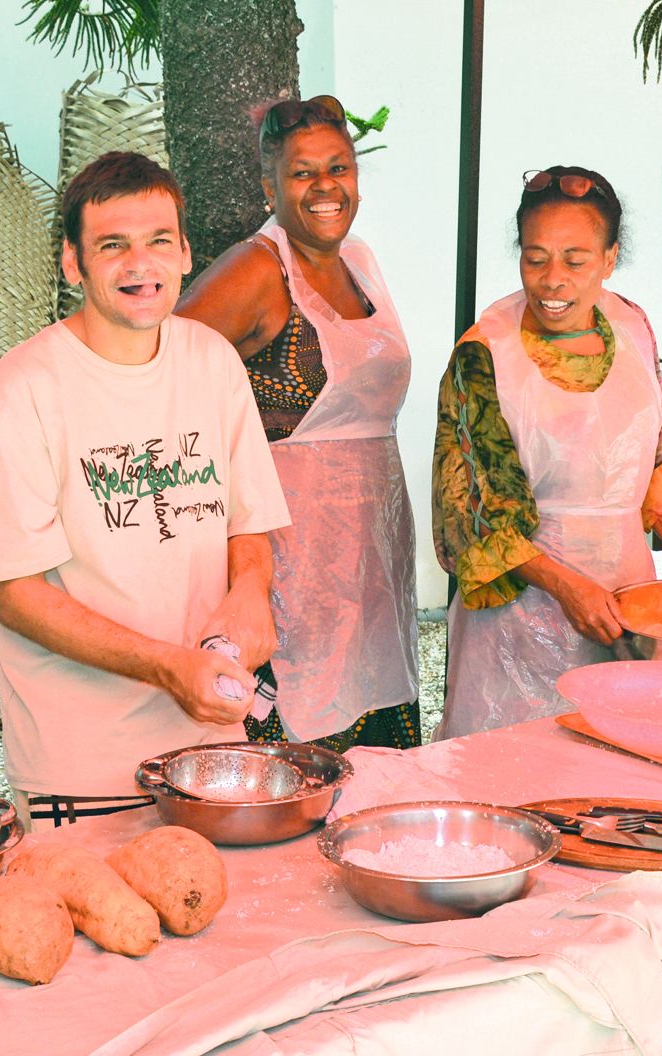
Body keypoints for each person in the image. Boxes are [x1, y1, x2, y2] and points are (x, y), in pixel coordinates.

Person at [0, 152, 291, 826]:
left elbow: (246, 523)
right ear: (72, 263)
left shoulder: (211, 360)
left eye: (158, 242)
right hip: (81, 771)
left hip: (211, 749)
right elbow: (17, 594)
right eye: (113, 246)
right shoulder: (23, 389)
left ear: (184, 255)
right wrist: (167, 666)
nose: (139, 265)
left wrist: (251, 593)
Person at [431, 166, 662, 738]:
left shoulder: (632, 326)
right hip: (519, 626)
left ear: (609, 257)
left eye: (575, 261)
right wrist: (568, 588)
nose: (552, 280)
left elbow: (654, 454)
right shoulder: (484, 354)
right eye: (535, 258)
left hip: (626, 606)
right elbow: (471, 518)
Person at [176, 94, 419, 751]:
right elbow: (162, 374)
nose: (324, 187)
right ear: (269, 185)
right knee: (301, 771)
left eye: (338, 169)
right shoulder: (257, 269)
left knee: (382, 775)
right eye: (302, 172)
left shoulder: (361, 260)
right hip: (289, 568)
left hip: (373, 565)